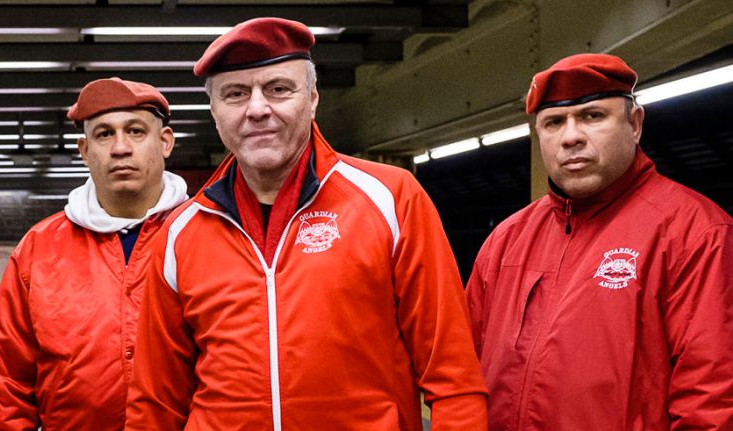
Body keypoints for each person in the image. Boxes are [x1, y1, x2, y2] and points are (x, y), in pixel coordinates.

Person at [126, 17, 488, 430]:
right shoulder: (180, 234)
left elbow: (453, 376)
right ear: (214, 111)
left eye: (279, 89)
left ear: (313, 98)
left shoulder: (391, 199)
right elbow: (155, 404)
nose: (258, 108)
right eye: (235, 94)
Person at [465, 53, 733, 430]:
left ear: (635, 124)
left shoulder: (695, 233)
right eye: (554, 122)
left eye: (593, 116)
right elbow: (463, 377)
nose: (571, 136)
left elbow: (713, 402)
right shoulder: (506, 241)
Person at [0, 78, 188, 430]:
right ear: (84, 151)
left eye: (135, 131)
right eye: (104, 134)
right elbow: (3, 384)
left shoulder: (204, 236)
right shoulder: (40, 250)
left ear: (164, 142)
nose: (120, 147)